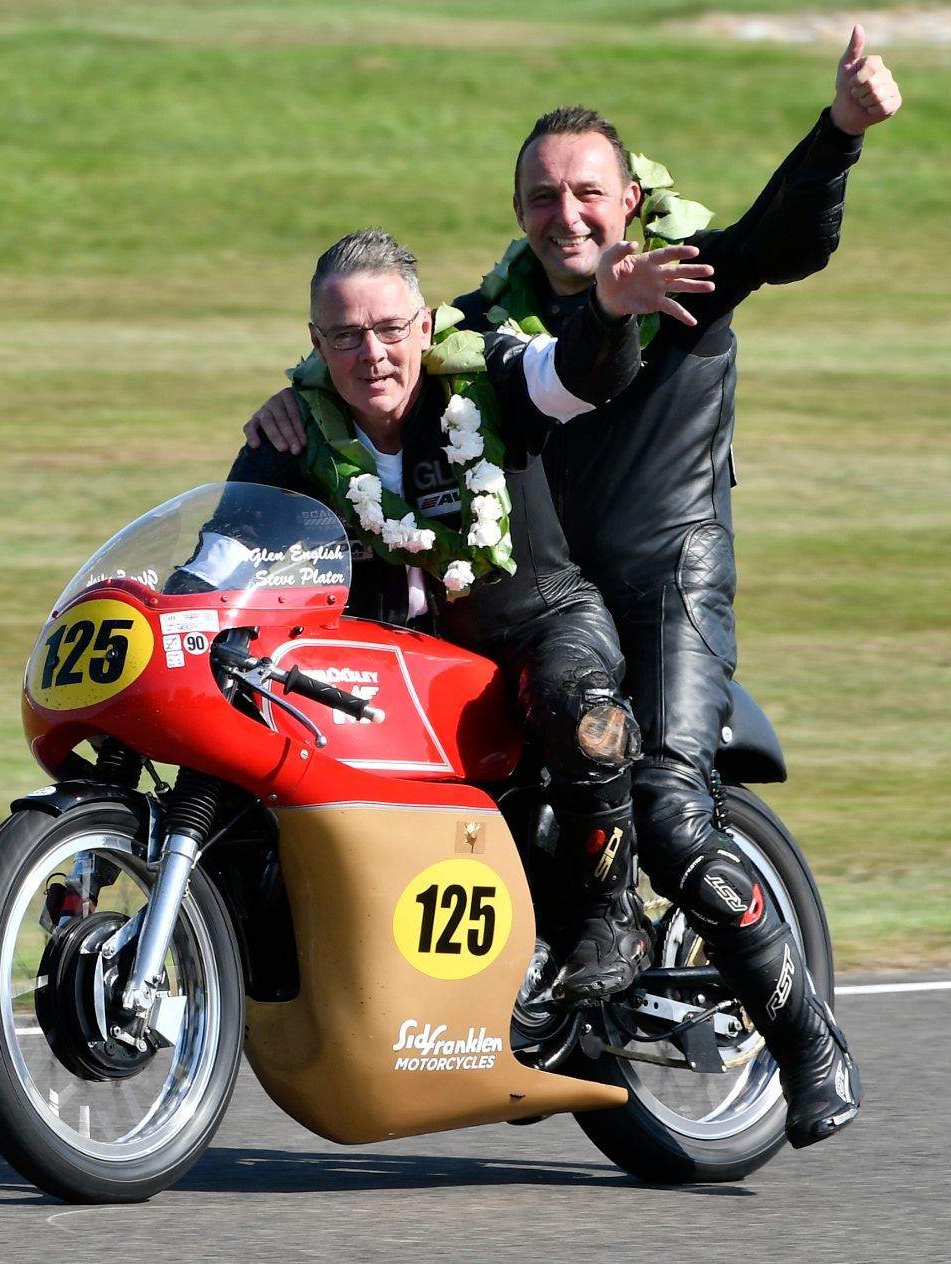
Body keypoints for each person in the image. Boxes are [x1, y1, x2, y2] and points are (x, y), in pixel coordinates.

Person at [241, 29, 900, 1149]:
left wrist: (839, 133)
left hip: (661, 584)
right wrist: (292, 401)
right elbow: (379, 348)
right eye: (543, 197)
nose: (567, 214)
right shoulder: (480, 326)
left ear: (630, 200)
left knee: (668, 812)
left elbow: (776, 241)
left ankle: (805, 1038)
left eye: (588, 192)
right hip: (534, 591)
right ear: (518, 212)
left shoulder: (678, 275)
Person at [209, 229, 712, 994]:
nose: (371, 354)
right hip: (390, 670)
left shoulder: (486, 376)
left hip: (537, 627)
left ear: (424, 326)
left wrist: (607, 314)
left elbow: (571, 376)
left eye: (388, 329)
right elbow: (220, 560)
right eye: (345, 336)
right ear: (315, 343)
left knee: (577, 708)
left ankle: (610, 918)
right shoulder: (290, 435)